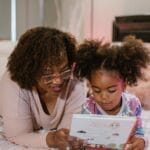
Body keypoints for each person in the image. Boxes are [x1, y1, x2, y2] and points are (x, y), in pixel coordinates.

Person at [0, 27, 87, 149]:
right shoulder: (13, 81)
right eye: (47, 73)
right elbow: (17, 136)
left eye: (64, 70)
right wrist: (51, 139)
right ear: (29, 68)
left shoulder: (75, 79)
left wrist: (62, 138)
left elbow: (67, 134)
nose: (58, 80)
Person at [75, 36, 149, 150]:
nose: (103, 97)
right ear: (90, 85)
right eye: (97, 90)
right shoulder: (87, 107)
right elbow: (80, 138)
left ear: (124, 85)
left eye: (111, 90)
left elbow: (138, 131)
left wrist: (142, 141)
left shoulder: (133, 104)